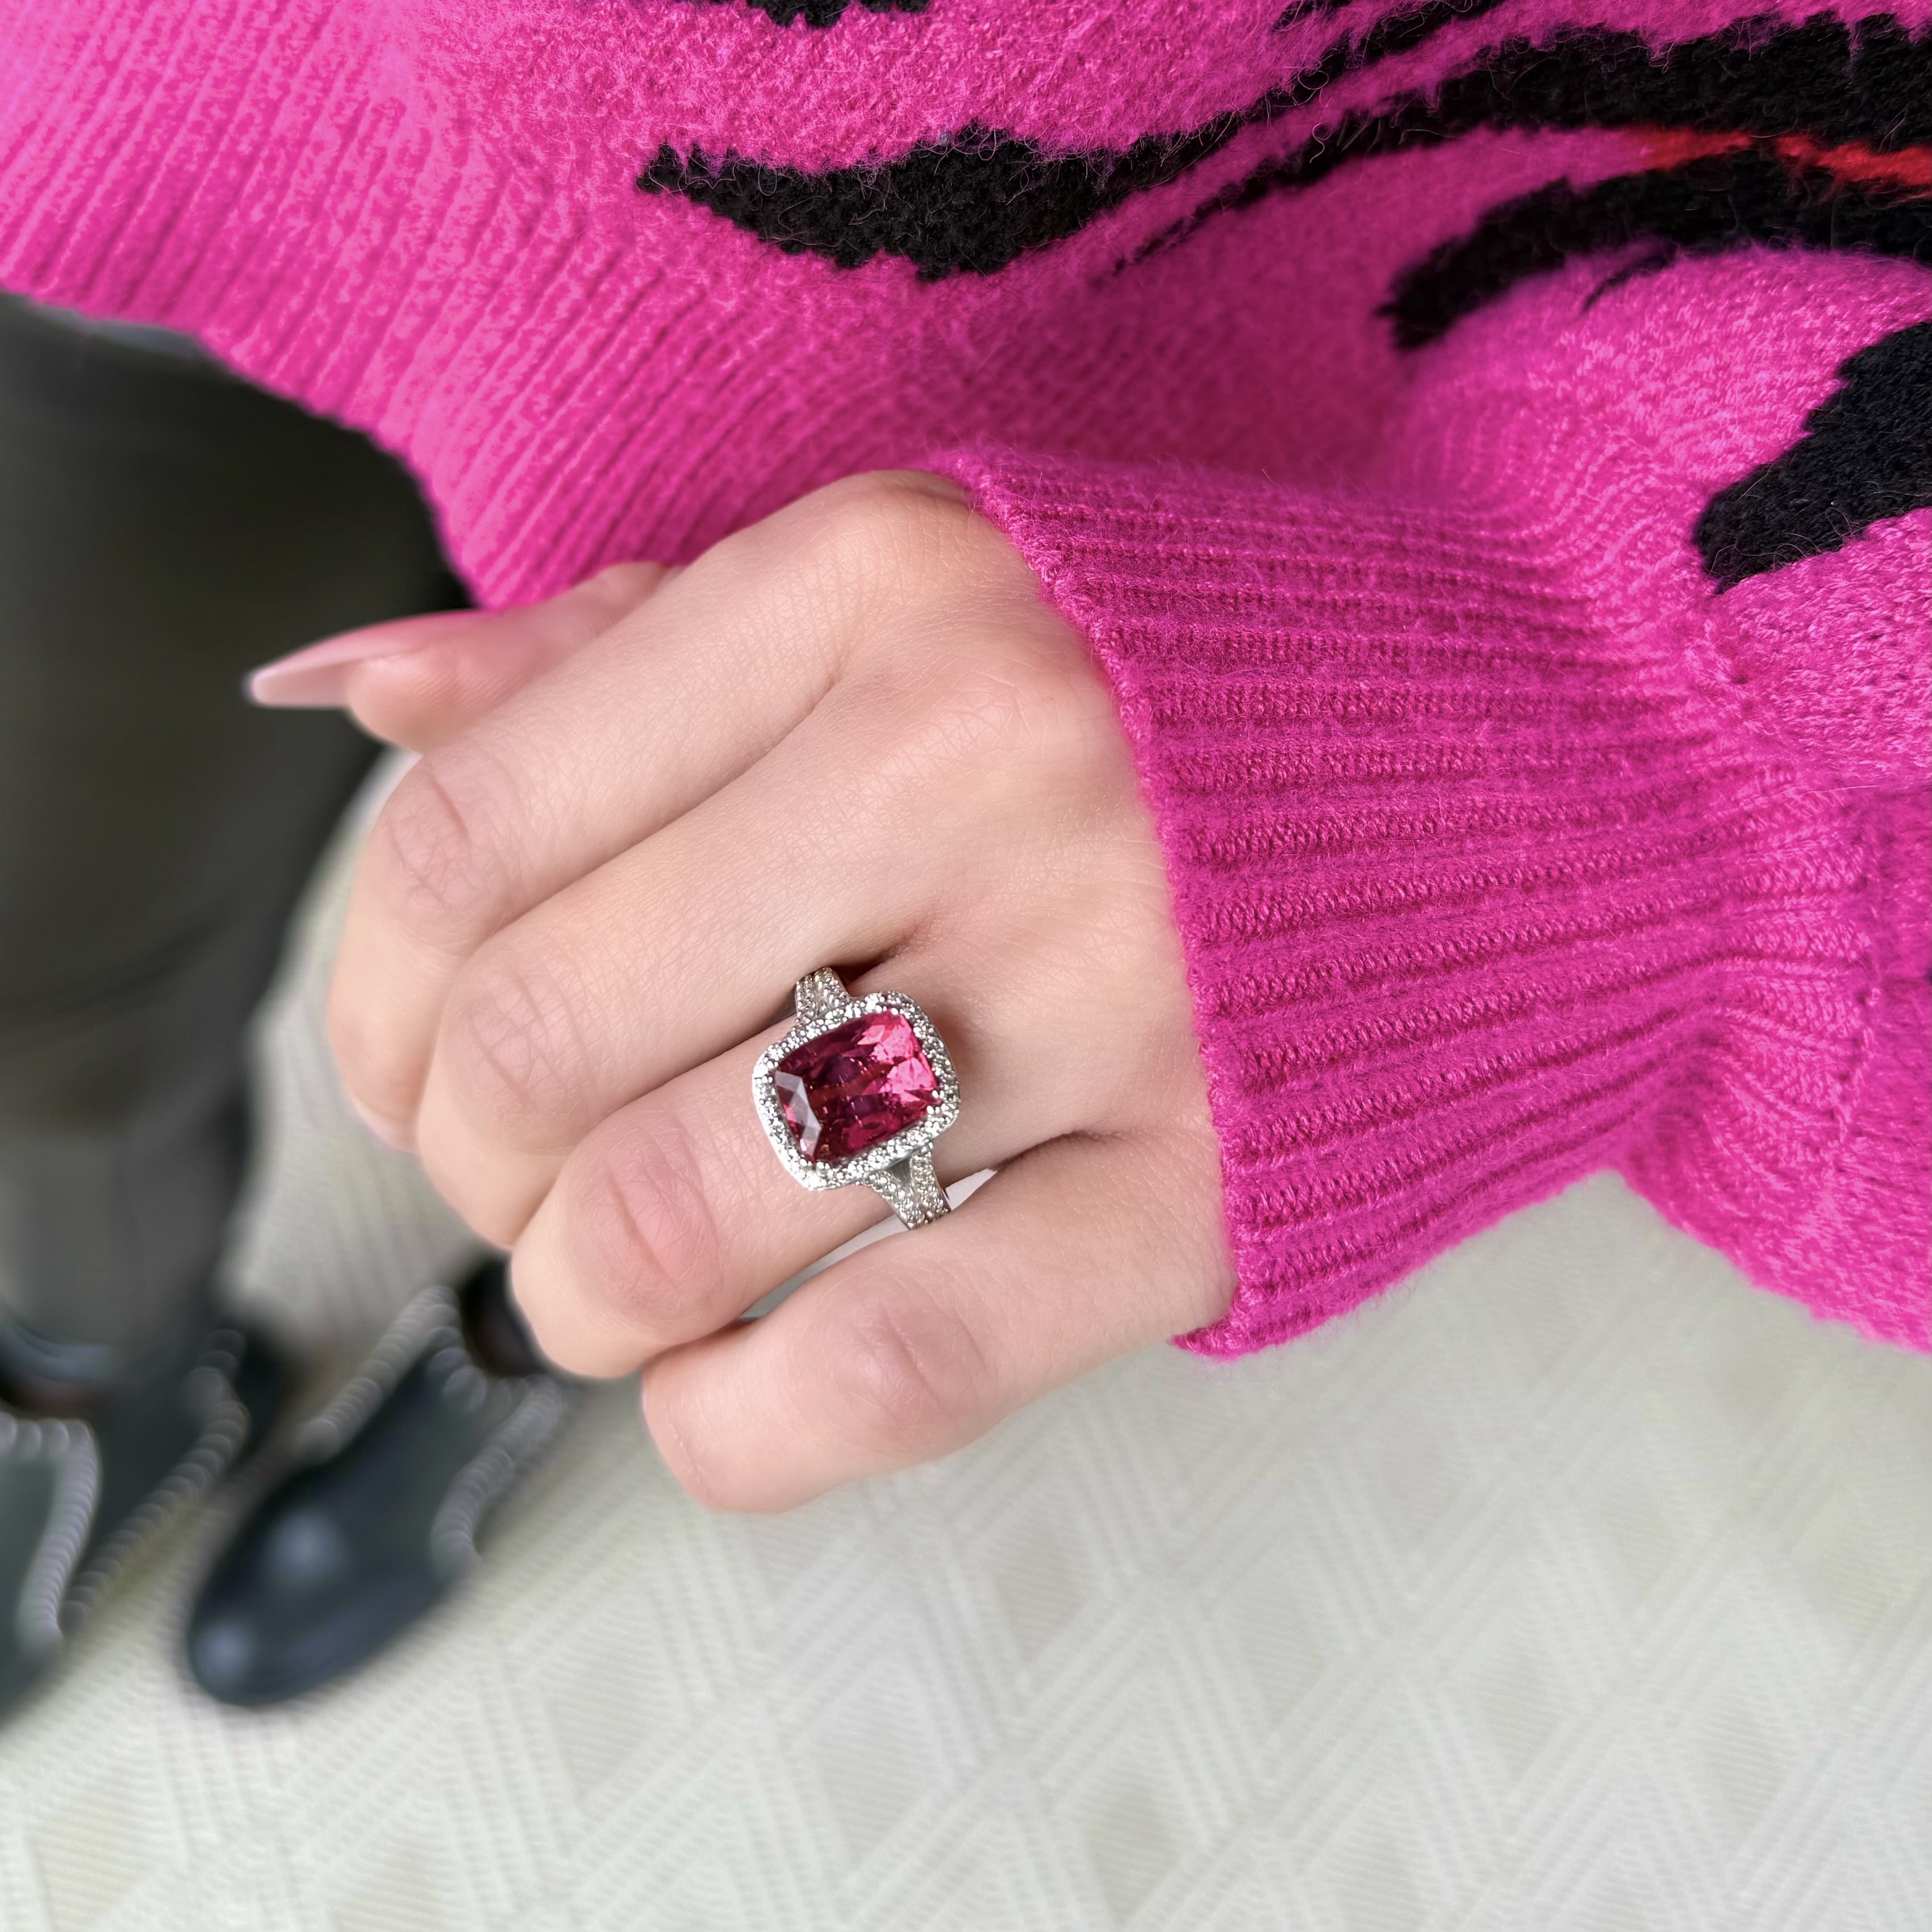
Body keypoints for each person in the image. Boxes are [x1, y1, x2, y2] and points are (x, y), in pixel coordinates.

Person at [1, 0, 1925, 1720]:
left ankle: (519, 1358)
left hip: (1180, 345)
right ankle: (100, 1385)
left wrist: (1645, 712)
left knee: (715, 1135)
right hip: (204, 105)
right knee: (47, 993)